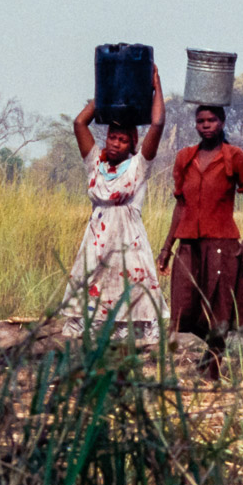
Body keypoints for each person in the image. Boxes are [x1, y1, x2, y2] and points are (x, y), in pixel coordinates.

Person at [60, 66, 169, 342]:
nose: (116, 144)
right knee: (92, 298)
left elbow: (156, 125)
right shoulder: (95, 162)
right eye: (112, 137)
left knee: (131, 295)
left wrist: (156, 86)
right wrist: (105, 91)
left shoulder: (138, 166)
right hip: (97, 243)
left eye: (123, 140)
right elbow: (79, 124)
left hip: (128, 243)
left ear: (133, 145)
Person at [157, 104, 243, 379]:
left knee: (219, 304)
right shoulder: (185, 158)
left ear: (222, 122)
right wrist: (167, 247)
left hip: (222, 242)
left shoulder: (234, 156)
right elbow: (181, 205)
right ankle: (214, 351)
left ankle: (213, 368)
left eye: (211, 120)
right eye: (200, 121)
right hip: (188, 244)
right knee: (184, 307)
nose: (206, 125)